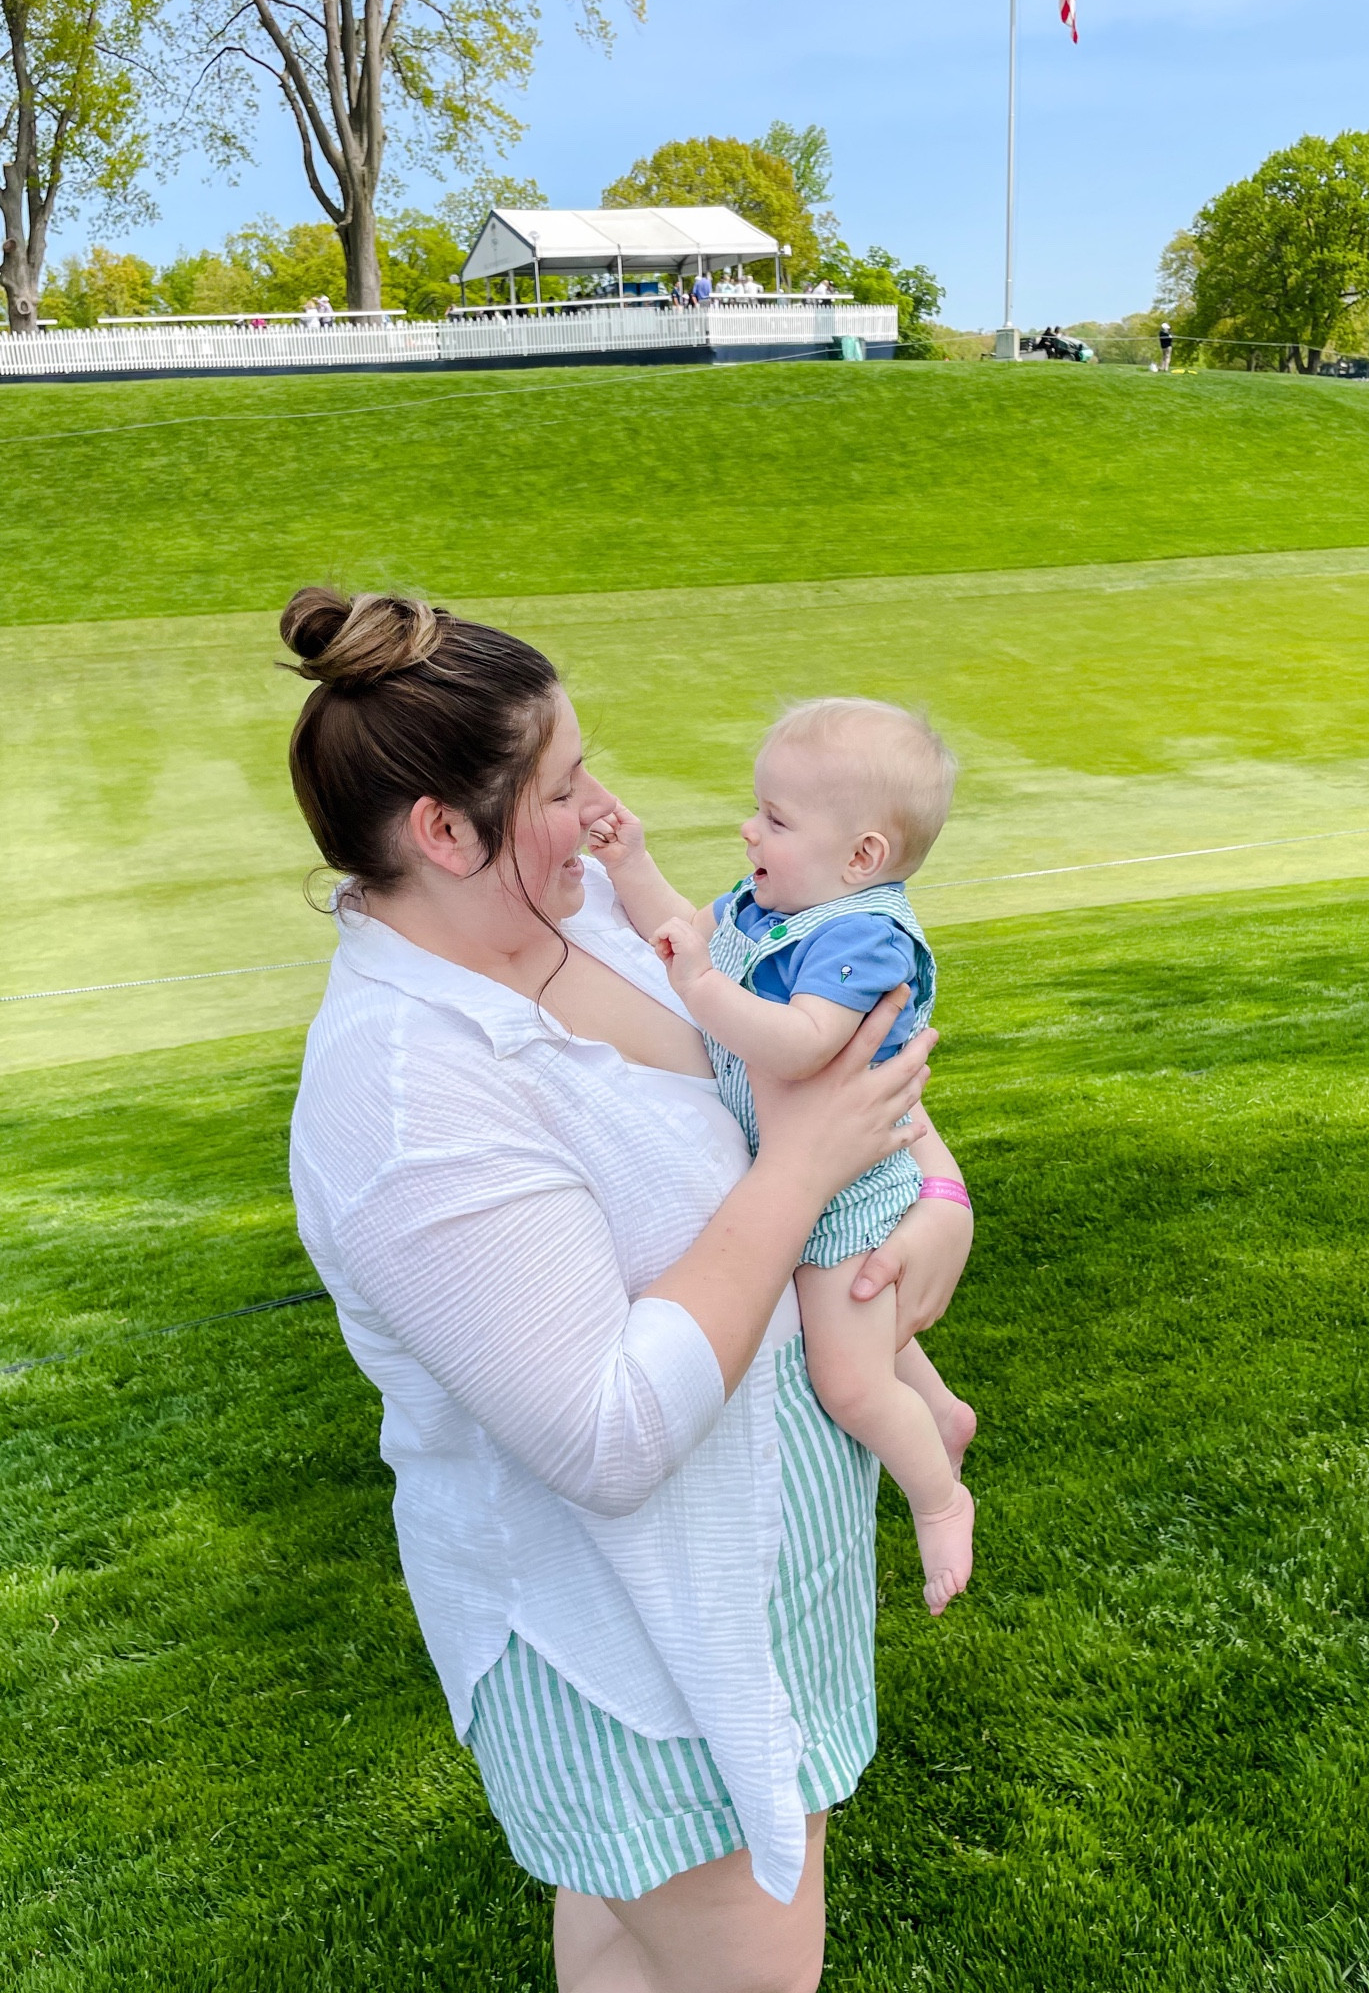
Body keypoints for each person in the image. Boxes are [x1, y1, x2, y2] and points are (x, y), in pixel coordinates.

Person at [281, 591, 973, 1993]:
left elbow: (829, 1070)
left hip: (764, 1556)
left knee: (619, 1947)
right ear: (441, 832)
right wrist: (804, 1175)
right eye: (562, 781)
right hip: (635, 1642)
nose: (600, 805)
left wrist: (934, 1202)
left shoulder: (586, 910)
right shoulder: (406, 1096)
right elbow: (603, 1434)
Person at [588, 699, 976, 1615]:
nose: (747, 827)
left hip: (848, 1194)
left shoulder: (862, 938)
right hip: (814, 1167)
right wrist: (631, 863)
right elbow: (688, 930)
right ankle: (941, 1410)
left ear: (861, 858)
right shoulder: (780, 905)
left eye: (775, 818)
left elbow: (800, 1044)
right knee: (854, 1330)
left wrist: (700, 987)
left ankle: (938, 1496)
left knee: (845, 1377)